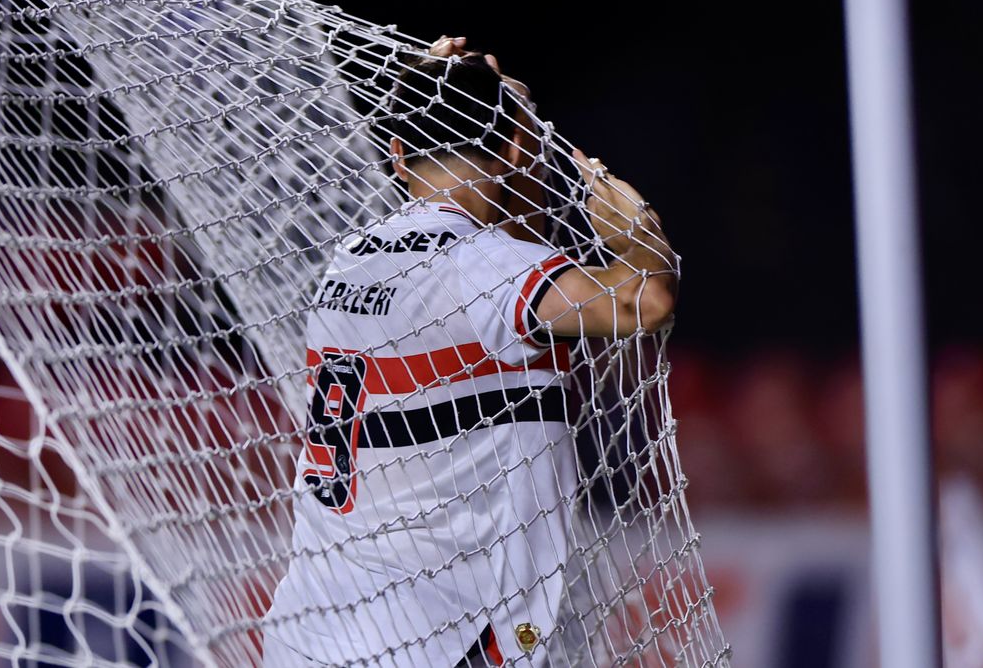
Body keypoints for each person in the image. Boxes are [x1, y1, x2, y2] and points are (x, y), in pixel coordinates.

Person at [263, 35, 679, 667]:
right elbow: (643, 300)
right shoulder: (481, 269)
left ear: (398, 157)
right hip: (427, 646)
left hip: (306, 636)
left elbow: (501, 260)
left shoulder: (344, 267)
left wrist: (443, 85)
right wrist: (592, 179)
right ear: (514, 149)